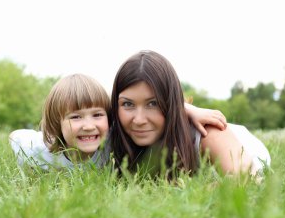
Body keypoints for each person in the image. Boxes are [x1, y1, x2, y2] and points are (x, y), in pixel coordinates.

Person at [9, 73, 227, 171]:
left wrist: (187, 108)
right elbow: (15, 136)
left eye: (97, 115)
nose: (88, 125)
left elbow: (152, 104)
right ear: (57, 122)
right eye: (75, 117)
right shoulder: (37, 151)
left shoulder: (114, 138)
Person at [109, 50, 271, 177]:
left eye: (153, 103)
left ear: (171, 104)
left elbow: (248, 179)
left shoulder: (207, 131)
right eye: (128, 104)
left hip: (241, 147)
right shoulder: (113, 134)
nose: (139, 120)